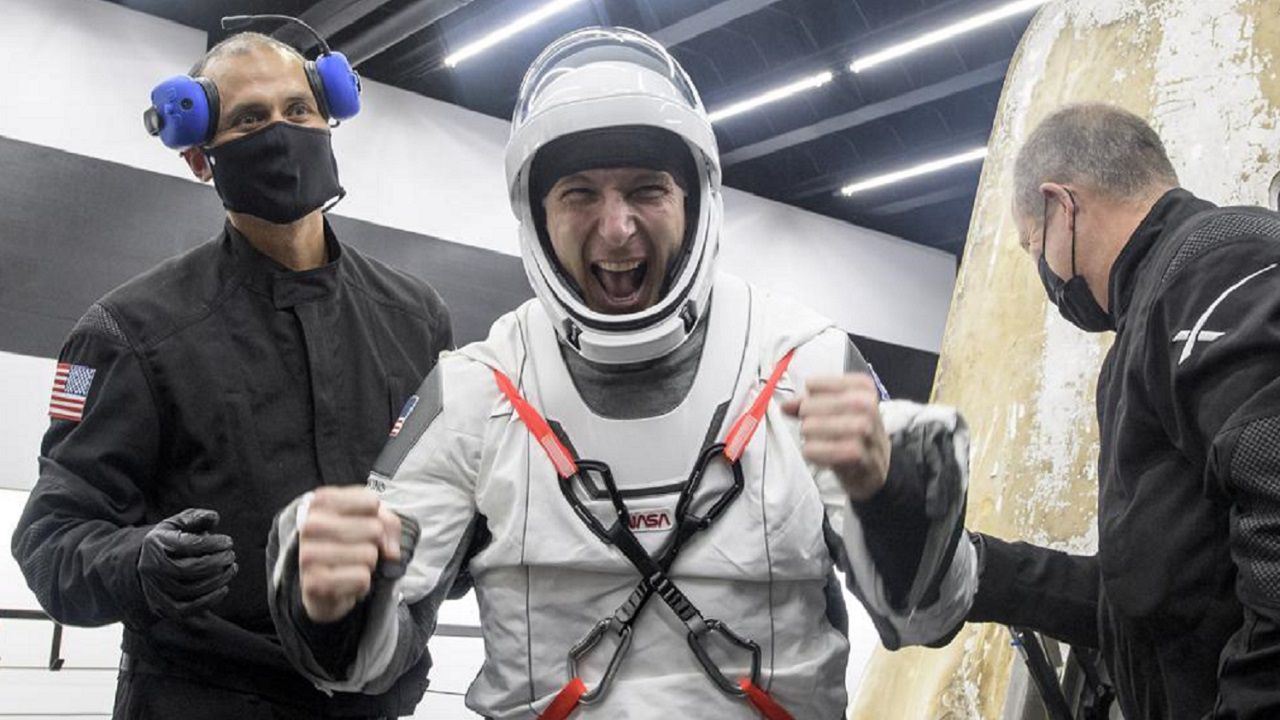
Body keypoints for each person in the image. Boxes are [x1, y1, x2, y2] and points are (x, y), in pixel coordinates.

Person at [264, 27, 976, 719]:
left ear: (694, 200)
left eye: (647, 190)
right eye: (579, 194)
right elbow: (362, 668)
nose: (616, 228)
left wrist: (901, 504)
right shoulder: (475, 390)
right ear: (536, 215)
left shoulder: (806, 361)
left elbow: (925, 621)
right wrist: (328, 603)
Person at [10, 27, 451, 720]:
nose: (280, 132)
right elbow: (51, 536)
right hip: (202, 700)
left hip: (377, 700)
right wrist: (137, 563)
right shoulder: (131, 331)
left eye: (297, 110)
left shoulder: (414, 317)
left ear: (330, 116)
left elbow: (446, 498)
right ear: (198, 156)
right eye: (250, 119)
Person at [964, 103, 1280, 719]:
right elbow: (1154, 590)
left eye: (1035, 247)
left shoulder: (1217, 269)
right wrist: (983, 573)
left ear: (1062, 207)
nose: (1046, 275)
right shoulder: (1152, 315)